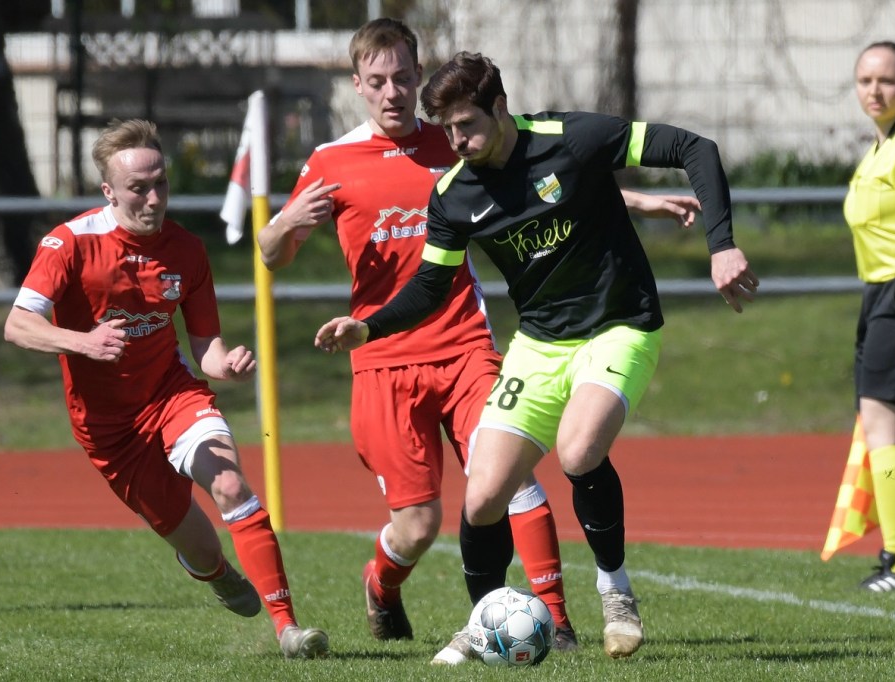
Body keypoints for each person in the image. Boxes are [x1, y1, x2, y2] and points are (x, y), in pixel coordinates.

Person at [263, 18, 702, 657]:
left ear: (418, 75)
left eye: (403, 77)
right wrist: (284, 226)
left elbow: (547, 182)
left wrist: (637, 200)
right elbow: (272, 255)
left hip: (465, 343)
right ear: (356, 84)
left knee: (512, 482)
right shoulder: (331, 162)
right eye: (378, 81)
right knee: (418, 525)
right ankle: (383, 584)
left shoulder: (455, 138)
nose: (393, 92)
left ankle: (557, 623)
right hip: (383, 357)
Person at [3, 118, 329, 659]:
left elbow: (206, 348)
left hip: (173, 395)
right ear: (108, 191)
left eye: (161, 184)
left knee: (230, 485)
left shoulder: (186, 250)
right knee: (201, 549)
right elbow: (18, 324)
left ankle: (288, 629)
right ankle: (216, 573)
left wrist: (227, 365)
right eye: (138, 188)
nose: (153, 199)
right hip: (110, 431)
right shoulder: (68, 244)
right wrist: (82, 342)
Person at [844, 41, 895, 592]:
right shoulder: (881, 146)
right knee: (883, 422)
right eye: (866, 80)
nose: (875, 90)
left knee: (885, 421)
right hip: (881, 296)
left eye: (887, 80)